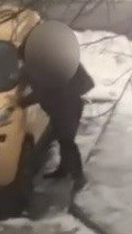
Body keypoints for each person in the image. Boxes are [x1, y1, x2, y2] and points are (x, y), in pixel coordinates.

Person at [16, 62, 94, 192]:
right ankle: (64, 169)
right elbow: (20, 78)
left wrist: (22, 102)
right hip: (57, 109)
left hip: (69, 108)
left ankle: (79, 178)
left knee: (66, 141)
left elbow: (87, 83)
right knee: (60, 139)